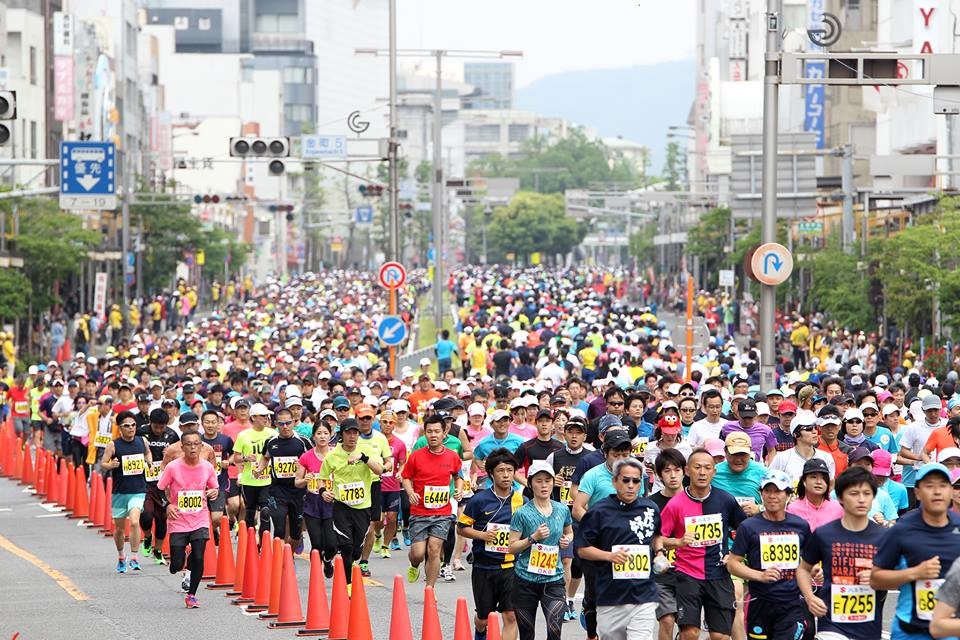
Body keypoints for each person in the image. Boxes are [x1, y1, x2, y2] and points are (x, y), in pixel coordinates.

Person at [660, 447, 747, 640]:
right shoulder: (675, 504)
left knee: (720, 636)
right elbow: (657, 538)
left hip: (719, 573)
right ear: (687, 470)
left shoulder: (726, 500)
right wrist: (678, 542)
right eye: (697, 467)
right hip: (687, 574)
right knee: (690, 633)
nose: (702, 472)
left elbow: (746, 530)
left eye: (707, 468)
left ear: (714, 472)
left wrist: (734, 555)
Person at [798, 466, 888, 640]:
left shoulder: (884, 537)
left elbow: (899, 576)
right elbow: (803, 569)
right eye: (854, 494)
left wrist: (878, 577)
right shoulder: (824, 534)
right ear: (840, 497)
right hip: (831, 625)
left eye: (867, 494)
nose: (861, 500)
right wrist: (809, 598)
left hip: (869, 627)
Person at [578, 457, 663, 640]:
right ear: (615, 481)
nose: (631, 485)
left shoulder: (650, 508)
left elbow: (657, 534)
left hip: (644, 595)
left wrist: (660, 552)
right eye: (626, 480)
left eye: (636, 481)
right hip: (610, 596)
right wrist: (609, 556)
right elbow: (582, 549)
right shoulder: (598, 511)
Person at [872, 462, 960, 639]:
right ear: (918, 493)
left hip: (951, 631)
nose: (937, 491)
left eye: (943, 485)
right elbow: (875, 579)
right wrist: (914, 573)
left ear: (951, 491)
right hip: (909, 631)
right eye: (929, 485)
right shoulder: (901, 529)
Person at [727, 469, 811, 640]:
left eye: (778, 491)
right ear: (761, 494)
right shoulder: (748, 527)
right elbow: (733, 564)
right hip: (760, 603)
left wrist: (814, 570)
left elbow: (810, 560)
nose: (772, 496)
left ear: (788, 495)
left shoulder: (800, 526)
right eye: (767, 491)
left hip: (791, 604)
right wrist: (760, 575)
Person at [458, 448, 525, 640]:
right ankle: (480, 632)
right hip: (484, 567)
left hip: (511, 567)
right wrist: (482, 535)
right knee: (483, 618)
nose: (506, 475)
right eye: (500, 471)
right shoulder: (479, 500)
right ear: (491, 474)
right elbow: (461, 528)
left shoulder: (522, 500)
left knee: (511, 616)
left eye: (510, 470)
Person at [508, 460, 573, 640]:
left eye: (547, 480)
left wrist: (566, 540)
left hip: (554, 579)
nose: (544, 485)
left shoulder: (562, 509)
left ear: (553, 482)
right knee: (527, 634)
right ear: (530, 484)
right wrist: (532, 538)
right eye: (538, 481)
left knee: (554, 630)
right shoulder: (521, 513)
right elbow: (511, 547)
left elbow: (569, 532)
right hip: (525, 580)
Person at [318, 418, 383, 586]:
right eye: (348, 433)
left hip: (363, 507)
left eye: (355, 433)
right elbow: (322, 478)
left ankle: (346, 562)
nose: (352, 436)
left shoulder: (366, 449)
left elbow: (380, 470)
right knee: (346, 546)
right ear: (342, 435)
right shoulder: (332, 455)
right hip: (342, 506)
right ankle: (347, 584)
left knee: (356, 551)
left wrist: (364, 458)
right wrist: (323, 491)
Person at [157, 430, 218, 607]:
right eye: (189, 444)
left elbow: (214, 488)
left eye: (196, 444)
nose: (193, 448)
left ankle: (191, 595)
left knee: (198, 556)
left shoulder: (207, 467)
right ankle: (179, 560)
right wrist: (167, 505)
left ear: (201, 446)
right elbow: (159, 489)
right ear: (182, 447)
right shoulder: (173, 467)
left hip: (200, 517)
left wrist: (214, 492)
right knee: (176, 565)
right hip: (178, 519)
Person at [403, 414, 463, 587]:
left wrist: (458, 490)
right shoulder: (416, 456)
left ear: (444, 433)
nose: (433, 435)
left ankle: (430, 589)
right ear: (425, 433)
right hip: (419, 511)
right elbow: (406, 477)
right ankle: (414, 564)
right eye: (429, 431)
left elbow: (458, 476)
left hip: (442, 512)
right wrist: (410, 492)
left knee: (434, 550)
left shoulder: (452, 456)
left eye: (437, 431)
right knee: (418, 553)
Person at [544, 415, 588, 621]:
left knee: (578, 565)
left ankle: (570, 597)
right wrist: (552, 481)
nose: (574, 436)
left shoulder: (590, 457)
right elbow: (539, 482)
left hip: (583, 515)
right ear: (565, 433)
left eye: (578, 432)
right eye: (571, 432)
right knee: (566, 559)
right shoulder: (554, 457)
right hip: (560, 516)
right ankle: (562, 600)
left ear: (584, 436)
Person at [100, 411, 152, 573]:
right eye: (126, 426)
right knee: (119, 529)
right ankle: (121, 556)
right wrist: (111, 465)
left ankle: (134, 557)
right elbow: (103, 463)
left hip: (138, 489)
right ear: (120, 428)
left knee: (135, 522)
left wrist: (149, 461)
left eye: (133, 425)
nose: (131, 428)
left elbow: (148, 452)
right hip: (120, 491)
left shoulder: (142, 441)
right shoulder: (113, 445)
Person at [258, 407, 311, 552]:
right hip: (277, 491)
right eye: (281, 424)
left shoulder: (303, 441)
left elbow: (313, 460)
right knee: (279, 529)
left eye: (288, 423)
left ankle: (289, 555)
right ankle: (280, 560)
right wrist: (259, 470)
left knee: (295, 533)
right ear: (276, 424)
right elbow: (265, 457)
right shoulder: (270, 442)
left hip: (298, 491)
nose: (285, 427)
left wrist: (305, 471)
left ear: (293, 422)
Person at [648, 448, 685, 640]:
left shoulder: (695, 499)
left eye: (677, 470)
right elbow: (649, 537)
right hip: (661, 574)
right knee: (667, 619)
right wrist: (676, 543)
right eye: (667, 471)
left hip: (690, 571)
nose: (673, 475)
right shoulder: (650, 504)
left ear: (685, 471)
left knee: (689, 629)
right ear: (658, 474)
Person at [355, 403, 394, 577]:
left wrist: (384, 468)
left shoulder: (380, 438)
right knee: (356, 525)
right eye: (362, 418)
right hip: (354, 484)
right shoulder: (351, 436)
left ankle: (364, 562)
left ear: (373, 420)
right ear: (356, 419)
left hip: (374, 484)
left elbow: (389, 460)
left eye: (368, 418)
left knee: (371, 525)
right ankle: (352, 553)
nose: (365, 421)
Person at [295, 421, 337, 578]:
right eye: (319, 433)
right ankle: (316, 578)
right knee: (317, 544)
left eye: (325, 433)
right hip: (312, 506)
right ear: (313, 436)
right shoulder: (306, 456)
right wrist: (305, 480)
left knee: (332, 545)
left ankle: (327, 560)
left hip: (332, 506)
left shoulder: (336, 455)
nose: (322, 436)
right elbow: (297, 482)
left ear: (331, 435)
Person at [138, 408, 180, 565]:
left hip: (164, 482)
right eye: (156, 427)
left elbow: (179, 455)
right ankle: (147, 536)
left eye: (162, 427)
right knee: (146, 515)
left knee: (162, 519)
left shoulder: (172, 435)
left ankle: (158, 551)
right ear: (150, 423)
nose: (159, 430)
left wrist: (170, 454)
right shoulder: (141, 432)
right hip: (145, 481)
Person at [232, 402, 278, 538]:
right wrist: (246, 458)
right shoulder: (243, 435)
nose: (266, 418)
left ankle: (264, 542)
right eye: (263, 416)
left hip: (267, 480)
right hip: (249, 480)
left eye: (267, 416)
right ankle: (250, 541)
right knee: (250, 511)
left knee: (265, 511)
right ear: (253, 417)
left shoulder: (273, 433)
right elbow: (236, 458)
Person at [769, 411, 836, 482]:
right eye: (809, 428)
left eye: (815, 427)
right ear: (796, 434)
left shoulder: (827, 457)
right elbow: (769, 481)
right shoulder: (782, 458)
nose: (815, 432)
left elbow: (830, 484)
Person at [199, 409, 233, 539]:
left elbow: (234, 454)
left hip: (220, 482)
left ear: (217, 423)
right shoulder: (197, 441)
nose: (210, 425)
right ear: (202, 423)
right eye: (207, 422)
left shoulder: (226, 440)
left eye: (213, 422)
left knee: (216, 518)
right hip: (200, 484)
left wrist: (228, 461)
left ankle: (212, 530)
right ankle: (210, 535)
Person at [787, 457, 844, 530]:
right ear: (804, 480)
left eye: (823, 478)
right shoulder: (793, 509)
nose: (819, 482)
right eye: (813, 477)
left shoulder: (838, 508)